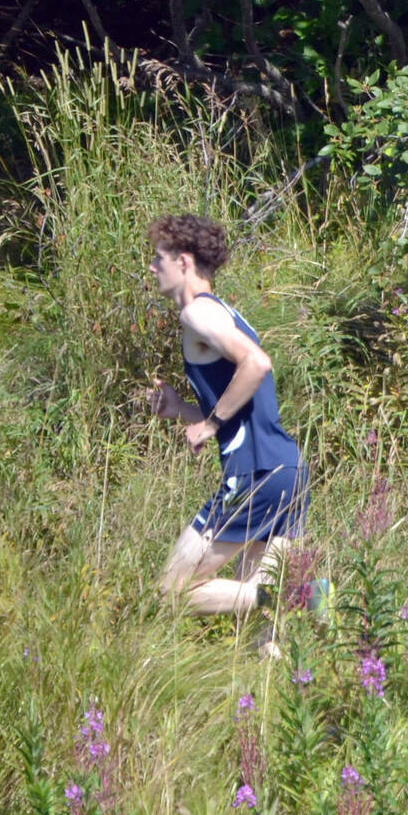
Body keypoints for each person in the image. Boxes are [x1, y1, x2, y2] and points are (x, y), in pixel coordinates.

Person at [146, 214, 313, 631]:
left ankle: (299, 597)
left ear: (183, 262)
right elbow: (245, 404)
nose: (152, 269)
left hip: (254, 472)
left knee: (171, 592)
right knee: (262, 634)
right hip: (286, 468)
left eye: (158, 259)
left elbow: (256, 364)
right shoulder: (224, 312)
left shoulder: (197, 315)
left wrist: (210, 424)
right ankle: (293, 613)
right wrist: (182, 410)